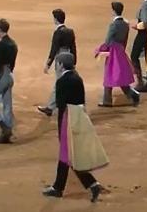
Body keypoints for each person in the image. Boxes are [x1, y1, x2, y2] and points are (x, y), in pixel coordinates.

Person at [42, 53, 104, 203]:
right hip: (78, 118)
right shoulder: (77, 77)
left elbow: (60, 103)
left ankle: (83, 185)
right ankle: (85, 184)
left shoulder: (62, 81)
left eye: (57, 63)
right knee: (69, 155)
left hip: (66, 120)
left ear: (61, 65)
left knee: (67, 155)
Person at [95, 2, 140, 107]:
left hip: (113, 51)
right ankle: (132, 95)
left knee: (109, 74)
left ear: (114, 11)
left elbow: (108, 41)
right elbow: (125, 40)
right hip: (120, 50)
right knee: (120, 76)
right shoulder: (125, 24)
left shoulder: (113, 25)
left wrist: (101, 50)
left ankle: (107, 100)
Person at [38, 9, 77, 117]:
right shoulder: (70, 31)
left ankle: (51, 107)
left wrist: (48, 64)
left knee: (59, 82)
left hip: (60, 57)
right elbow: (74, 47)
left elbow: (54, 49)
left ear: (55, 19)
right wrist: (74, 60)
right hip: (69, 56)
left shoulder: (58, 32)